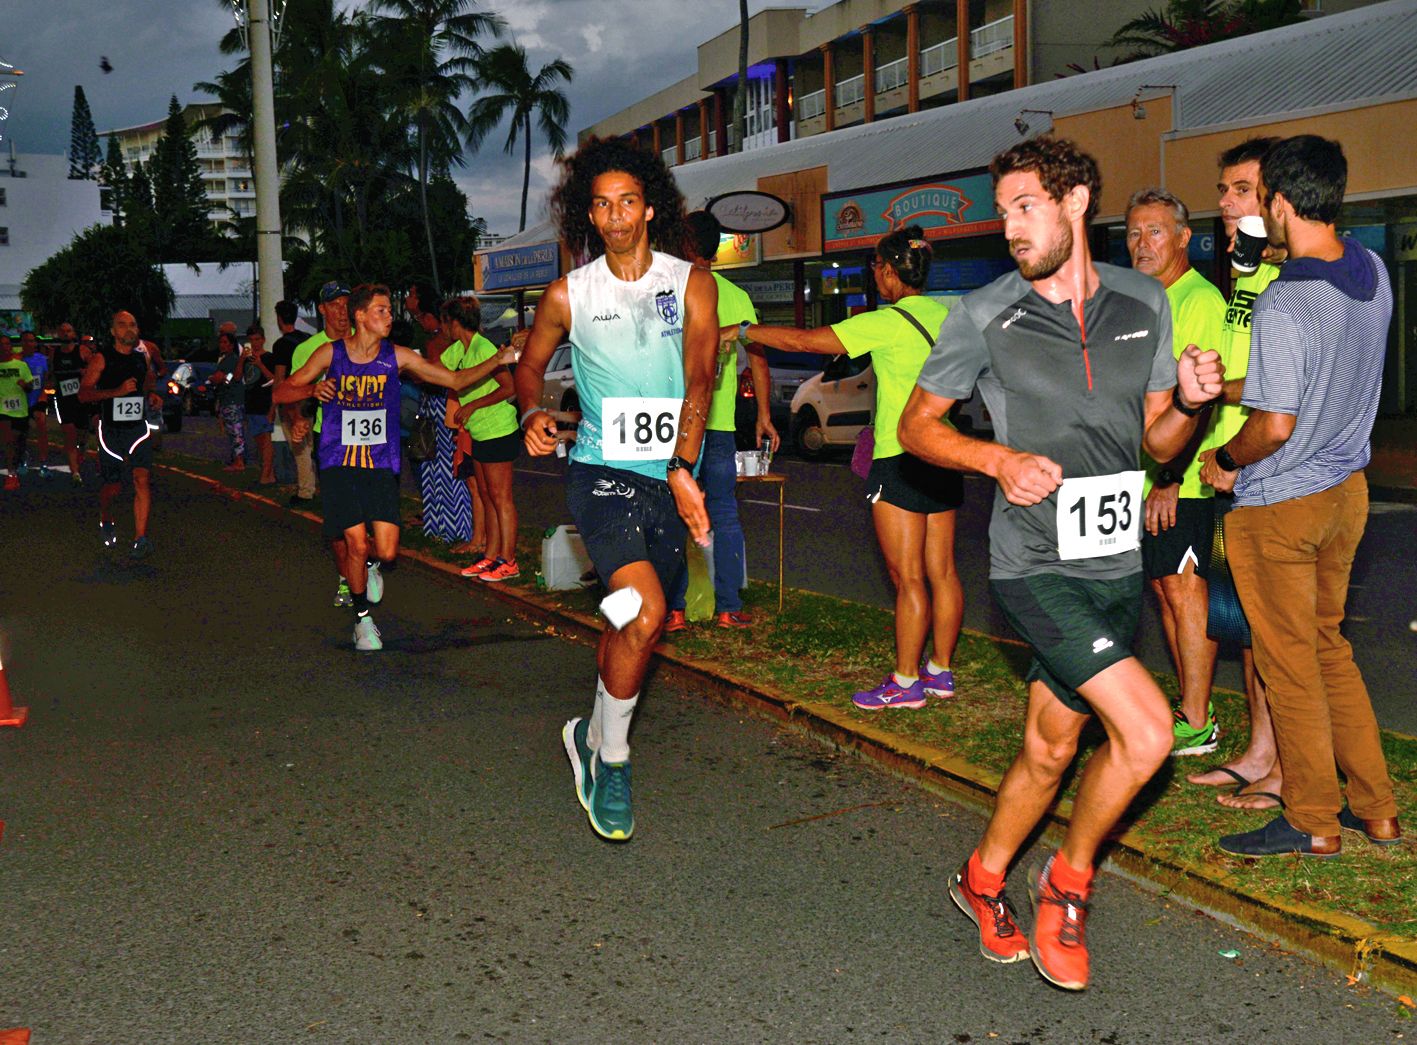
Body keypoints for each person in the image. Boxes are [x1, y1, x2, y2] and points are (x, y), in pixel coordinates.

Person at [898, 137, 1223, 990]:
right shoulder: (982, 314)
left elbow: (1158, 442)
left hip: (1113, 563)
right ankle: (1068, 882)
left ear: (1075, 202)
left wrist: (1192, 404)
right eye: (1002, 211)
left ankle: (979, 878)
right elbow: (916, 426)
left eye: (1025, 206)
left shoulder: (1142, 301)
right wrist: (995, 460)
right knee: (1147, 732)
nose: (1009, 226)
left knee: (1050, 747)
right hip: (1031, 563)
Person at [1198, 135, 1400, 857]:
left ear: (1278, 202)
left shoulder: (1285, 301)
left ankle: (1312, 818)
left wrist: (1224, 458)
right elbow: (1312, 377)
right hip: (1346, 493)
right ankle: (1377, 809)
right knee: (1328, 649)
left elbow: (1274, 423)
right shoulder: (1372, 270)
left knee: (1288, 668)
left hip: (1281, 503)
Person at [514, 137, 716, 842]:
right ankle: (615, 761)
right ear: (589, 216)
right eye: (602, 205)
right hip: (600, 473)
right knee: (645, 611)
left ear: (649, 207)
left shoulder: (690, 283)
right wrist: (532, 411)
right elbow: (529, 366)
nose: (617, 215)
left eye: (628, 201)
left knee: (630, 619)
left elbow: (700, 376)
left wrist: (682, 467)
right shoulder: (569, 294)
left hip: (669, 476)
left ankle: (590, 735)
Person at [747, 224, 962, 710]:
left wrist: (745, 331)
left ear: (889, 273)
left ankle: (906, 682)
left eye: (876, 267)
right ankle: (940, 670)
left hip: (899, 455)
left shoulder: (886, 322)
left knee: (908, 577)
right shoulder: (949, 316)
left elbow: (805, 342)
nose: (875, 275)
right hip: (943, 450)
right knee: (944, 572)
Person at [275, 283, 514, 651]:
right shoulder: (329, 354)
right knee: (356, 543)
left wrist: (498, 360)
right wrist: (311, 391)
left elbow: (454, 380)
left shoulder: (397, 357)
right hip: (338, 461)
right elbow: (281, 391)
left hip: (380, 462)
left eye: (389, 310)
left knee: (385, 552)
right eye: (382, 310)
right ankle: (362, 620)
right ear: (360, 316)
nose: (390, 317)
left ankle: (370, 567)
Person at [1186, 137, 1283, 809]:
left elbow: (1283, 388)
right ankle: (1259, 754)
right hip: (1232, 474)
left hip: (1268, 473)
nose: (1224, 201)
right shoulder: (1245, 273)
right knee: (1246, 631)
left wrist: (1211, 390)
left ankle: (1287, 772)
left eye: (1240, 190)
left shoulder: (1289, 278)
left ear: (1275, 199)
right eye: (1222, 189)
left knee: (1276, 635)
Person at [1125, 188, 1228, 756]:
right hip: (1148, 477)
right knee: (1166, 590)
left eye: (1155, 231)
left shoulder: (1198, 299)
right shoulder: (1149, 301)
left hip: (1179, 480)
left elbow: (1201, 396)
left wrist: (1169, 478)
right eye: (1134, 233)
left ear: (1184, 238)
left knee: (1186, 592)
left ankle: (1197, 719)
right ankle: (1192, 708)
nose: (1142, 243)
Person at [662, 209, 777, 632]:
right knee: (725, 512)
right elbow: (759, 359)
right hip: (722, 423)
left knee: (676, 511)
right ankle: (729, 607)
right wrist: (763, 415)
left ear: (684, 244)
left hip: (681, 423)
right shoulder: (736, 296)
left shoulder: (670, 292)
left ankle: (674, 610)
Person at [442, 296, 521, 581]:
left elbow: (509, 387)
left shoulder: (484, 347)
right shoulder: (457, 350)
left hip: (498, 429)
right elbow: (435, 371)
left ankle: (509, 561)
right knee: (486, 495)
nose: (443, 329)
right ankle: (490, 556)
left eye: (445, 323)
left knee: (501, 497)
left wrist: (474, 405)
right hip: (478, 431)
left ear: (454, 323)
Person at [289, 281, 356, 606]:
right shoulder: (309, 349)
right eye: (335, 305)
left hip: (371, 441)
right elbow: (291, 390)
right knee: (338, 517)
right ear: (322, 309)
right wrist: (299, 417)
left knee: (369, 515)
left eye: (346, 304)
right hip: (329, 438)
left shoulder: (368, 342)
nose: (342, 311)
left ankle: (365, 565)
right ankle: (346, 579)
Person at [79, 310, 163, 559]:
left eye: (133, 325)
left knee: (141, 479)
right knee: (112, 487)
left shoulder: (141, 359)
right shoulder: (102, 359)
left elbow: (146, 383)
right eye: (123, 325)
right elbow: (83, 394)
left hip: (138, 430)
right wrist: (115, 392)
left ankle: (140, 538)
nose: (129, 329)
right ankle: (106, 518)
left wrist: (152, 395)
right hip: (111, 432)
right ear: (113, 331)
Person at [406, 287, 474, 547]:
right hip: (438, 408)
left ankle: (451, 527)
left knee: (446, 469)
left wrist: (416, 371)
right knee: (440, 468)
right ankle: (445, 525)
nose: (421, 322)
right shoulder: (444, 342)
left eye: (422, 316)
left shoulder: (441, 343)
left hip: (442, 408)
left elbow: (436, 376)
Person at [270, 300, 315, 503]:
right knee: (312, 445)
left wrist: (273, 405)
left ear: (279, 319)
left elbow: (279, 378)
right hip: (311, 395)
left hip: (292, 400)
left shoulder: (281, 345)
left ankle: (305, 491)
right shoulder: (308, 339)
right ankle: (314, 486)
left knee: (299, 447)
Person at [49, 322, 91, 484]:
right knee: (69, 433)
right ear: (58, 334)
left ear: (74, 333)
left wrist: (86, 373)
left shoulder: (83, 351)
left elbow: (95, 370)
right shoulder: (54, 354)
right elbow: (51, 374)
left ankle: (82, 448)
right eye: (63, 331)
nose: (66, 334)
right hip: (63, 398)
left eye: (69, 331)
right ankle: (75, 473)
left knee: (82, 433)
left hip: (81, 398)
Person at [243, 324, 278, 485]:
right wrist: (242, 359)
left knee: (266, 440)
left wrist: (260, 365)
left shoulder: (269, 358)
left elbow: (274, 380)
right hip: (251, 403)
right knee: (258, 440)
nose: (255, 343)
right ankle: (269, 474)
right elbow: (238, 377)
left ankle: (266, 475)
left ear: (263, 340)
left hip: (265, 403)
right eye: (251, 340)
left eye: (257, 339)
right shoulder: (247, 359)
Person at [0, 335, 34, 491]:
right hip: (3, 410)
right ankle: (11, 475)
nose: (4, 347)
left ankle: (20, 458)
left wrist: (24, 385)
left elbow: (30, 387)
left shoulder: (21, 365)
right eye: (1, 344)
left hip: (20, 410)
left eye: (7, 344)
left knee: (19, 441)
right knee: (9, 440)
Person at [18, 331, 51, 476]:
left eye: (31, 341)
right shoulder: (17, 359)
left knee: (41, 424)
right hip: (21, 400)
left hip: (38, 398)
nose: (29, 344)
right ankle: (22, 458)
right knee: (21, 432)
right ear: (21, 343)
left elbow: (47, 378)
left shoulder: (42, 359)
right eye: (26, 341)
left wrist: (44, 392)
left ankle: (43, 462)